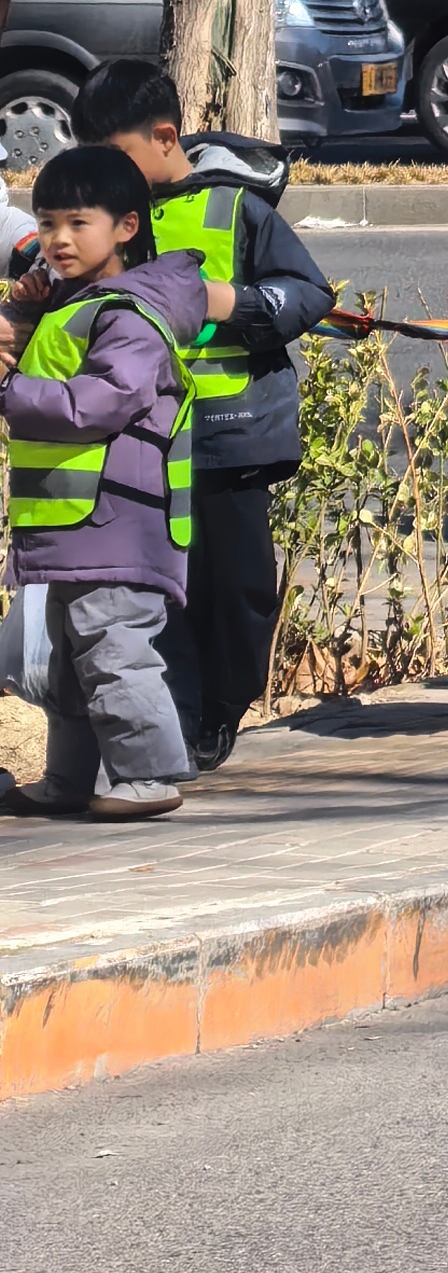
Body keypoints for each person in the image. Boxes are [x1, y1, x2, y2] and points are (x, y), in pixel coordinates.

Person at [74, 57, 334, 772]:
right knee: (157, 590)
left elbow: (308, 293)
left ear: (165, 136)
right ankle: (179, 717)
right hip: (140, 442)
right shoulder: (110, 220)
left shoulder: (235, 204)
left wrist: (234, 304)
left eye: (119, 157)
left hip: (227, 440)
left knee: (235, 585)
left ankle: (223, 707)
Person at [0, 144, 211, 818]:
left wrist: (8, 388)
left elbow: (96, 404)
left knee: (115, 650)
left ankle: (149, 774)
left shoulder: (128, 314)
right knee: (72, 663)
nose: (58, 239)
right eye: (47, 222)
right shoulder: (81, 303)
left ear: (125, 226)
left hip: (117, 522)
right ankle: (68, 778)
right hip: (78, 527)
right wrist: (31, 310)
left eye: (77, 223)